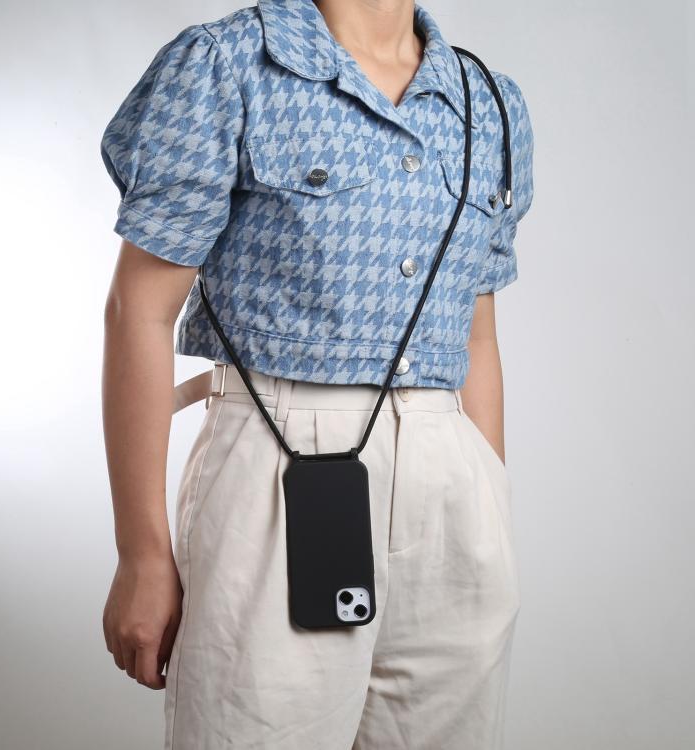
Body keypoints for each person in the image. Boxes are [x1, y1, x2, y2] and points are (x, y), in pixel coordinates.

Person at [99, 0, 534, 747]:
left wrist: (489, 502)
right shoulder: (228, 65)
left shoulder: (487, 101)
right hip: (277, 463)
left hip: (450, 482)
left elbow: (478, 333)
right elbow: (137, 312)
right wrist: (141, 553)